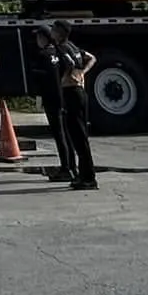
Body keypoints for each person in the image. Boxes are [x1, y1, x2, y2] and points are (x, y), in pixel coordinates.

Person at [36, 19, 97, 190]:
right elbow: (92, 58)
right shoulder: (73, 46)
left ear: (59, 33)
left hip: (72, 93)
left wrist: (67, 76)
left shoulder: (62, 48)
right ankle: (83, 176)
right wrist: (83, 72)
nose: (52, 33)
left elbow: (69, 63)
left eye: (54, 30)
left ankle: (88, 178)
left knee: (79, 138)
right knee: (79, 137)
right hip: (79, 92)